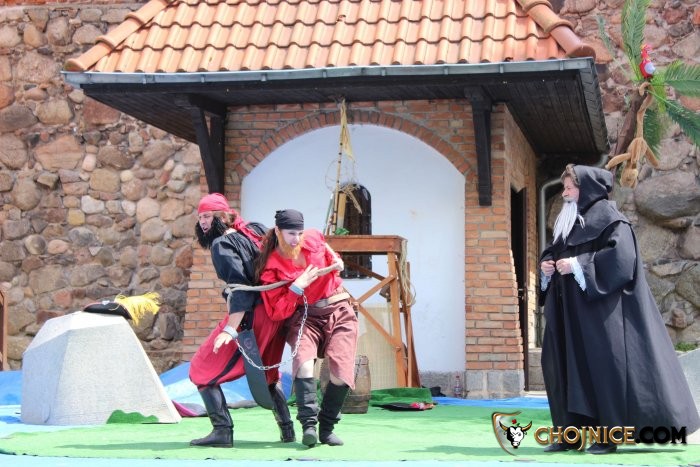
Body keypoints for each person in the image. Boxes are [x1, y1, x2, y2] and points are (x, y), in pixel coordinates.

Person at [539, 164, 700, 454]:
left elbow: (622, 262)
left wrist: (577, 265)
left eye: (570, 187)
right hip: (568, 314)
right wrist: (547, 264)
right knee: (561, 367)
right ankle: (568, 435)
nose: (564, 193)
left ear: (587, 189)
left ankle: (607, 436)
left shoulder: (613, 221)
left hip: (600, 314)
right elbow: (556, 248)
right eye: (564, 187)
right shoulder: (569, 221)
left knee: (603, 371)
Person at [188, 193, 294, 447]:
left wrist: (230, 329)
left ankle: (222, 431)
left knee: (201, 368)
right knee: (266, 373)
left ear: (223, 216)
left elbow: (240, 289)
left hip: (251, 316)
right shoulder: (254, 230)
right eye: (200, 217)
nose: (203, 222)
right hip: (275, 313)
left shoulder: (221, 245)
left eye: (208, 216)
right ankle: (288, 430)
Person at [255, 209, 358, 447]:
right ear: (278, 231)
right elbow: (276, 311)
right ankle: (308, 427)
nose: (296, 238)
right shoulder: (271, 266)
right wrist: (296, 288)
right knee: (303, 365)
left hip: (339, 309)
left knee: (341, 373)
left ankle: (327, 428)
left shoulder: (313, 237)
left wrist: (337, 261)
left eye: (299, 233)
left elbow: (328, 249)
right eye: (291, 233)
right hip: (305, 317)